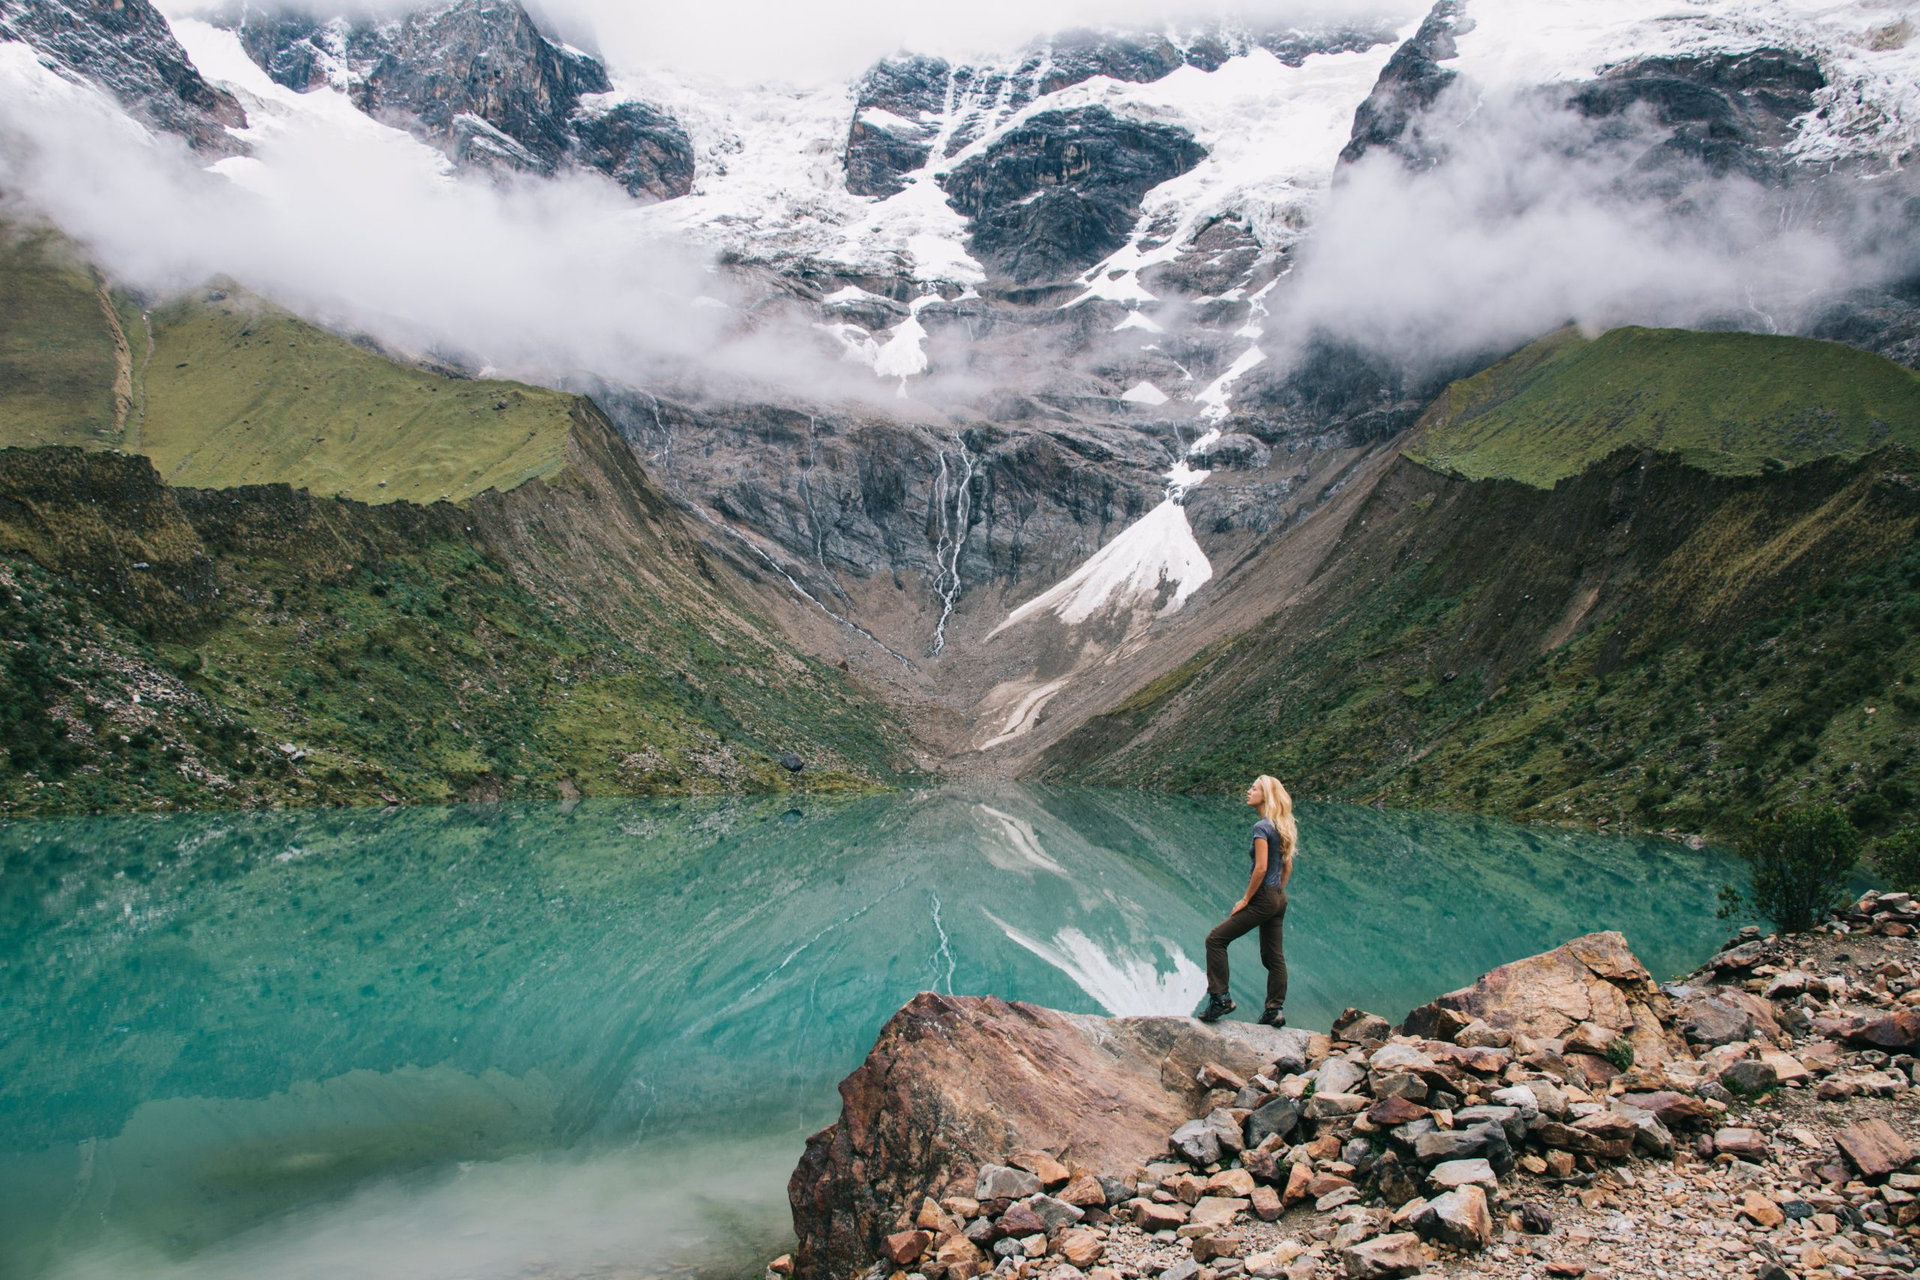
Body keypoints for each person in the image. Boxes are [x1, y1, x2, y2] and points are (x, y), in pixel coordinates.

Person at [1195, 775, 1295, 1026]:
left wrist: (1246, 899)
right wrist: (1277, 893)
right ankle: (1275, 1009)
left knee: (1216, 940)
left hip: (1262, 897)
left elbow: (1260, 868)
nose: (1248, 791)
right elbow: (1287, 866)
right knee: (1274, 958)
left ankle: (1220, 999)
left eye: (1254, 788)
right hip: (1278, 898)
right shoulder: (1281, 825)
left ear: (1266, 795)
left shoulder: (1262, 827)